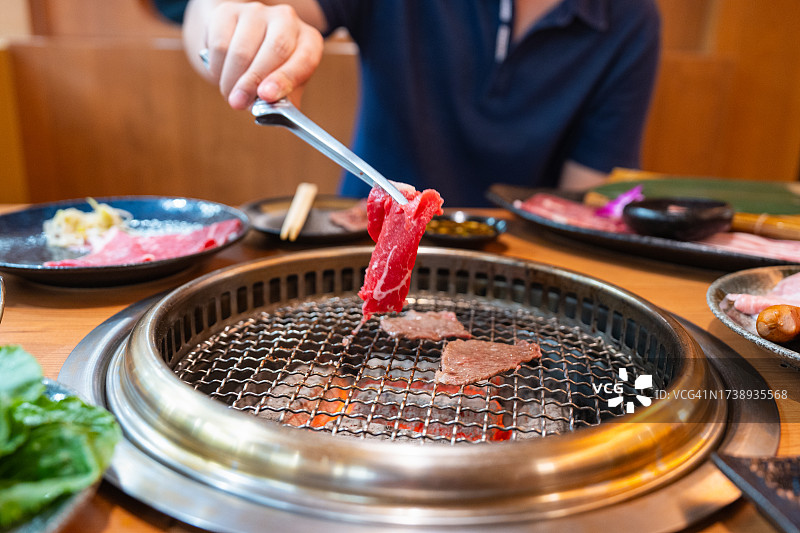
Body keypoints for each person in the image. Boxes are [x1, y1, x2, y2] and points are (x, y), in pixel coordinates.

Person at [153, 0, 661, 207]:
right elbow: (225, 10)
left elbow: (583, 202)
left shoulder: (630, 19)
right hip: (360, 237)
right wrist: (232, 22)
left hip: (513, 261)